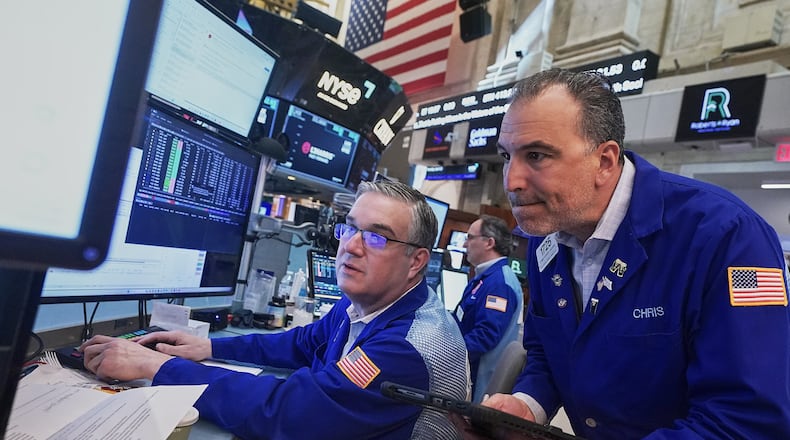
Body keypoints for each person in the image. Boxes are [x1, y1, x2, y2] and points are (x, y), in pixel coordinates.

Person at [456, 68, 790, 439]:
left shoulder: (728, 237)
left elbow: (747, 419)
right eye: (507, 156)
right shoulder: (548, 233)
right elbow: (547, 354)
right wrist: (527, 405)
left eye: (536, 155)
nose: (512, 181)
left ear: (604, 161)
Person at [81, 180, 470, 440]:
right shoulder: (368, 304)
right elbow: (303, 342)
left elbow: (286, 412)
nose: (350, 246)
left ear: (416, 261)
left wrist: (156, 367)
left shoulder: (407, 347)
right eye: (349, 228)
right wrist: (211, 349)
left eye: (376, 236)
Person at [453, 214, 522, 402]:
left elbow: (484, 336)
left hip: (477, 383)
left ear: (489, 242)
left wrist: (447, 354)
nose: (465, 244)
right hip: (467, 373)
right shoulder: (485, 277)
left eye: (469, 237)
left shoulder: (500, 283)